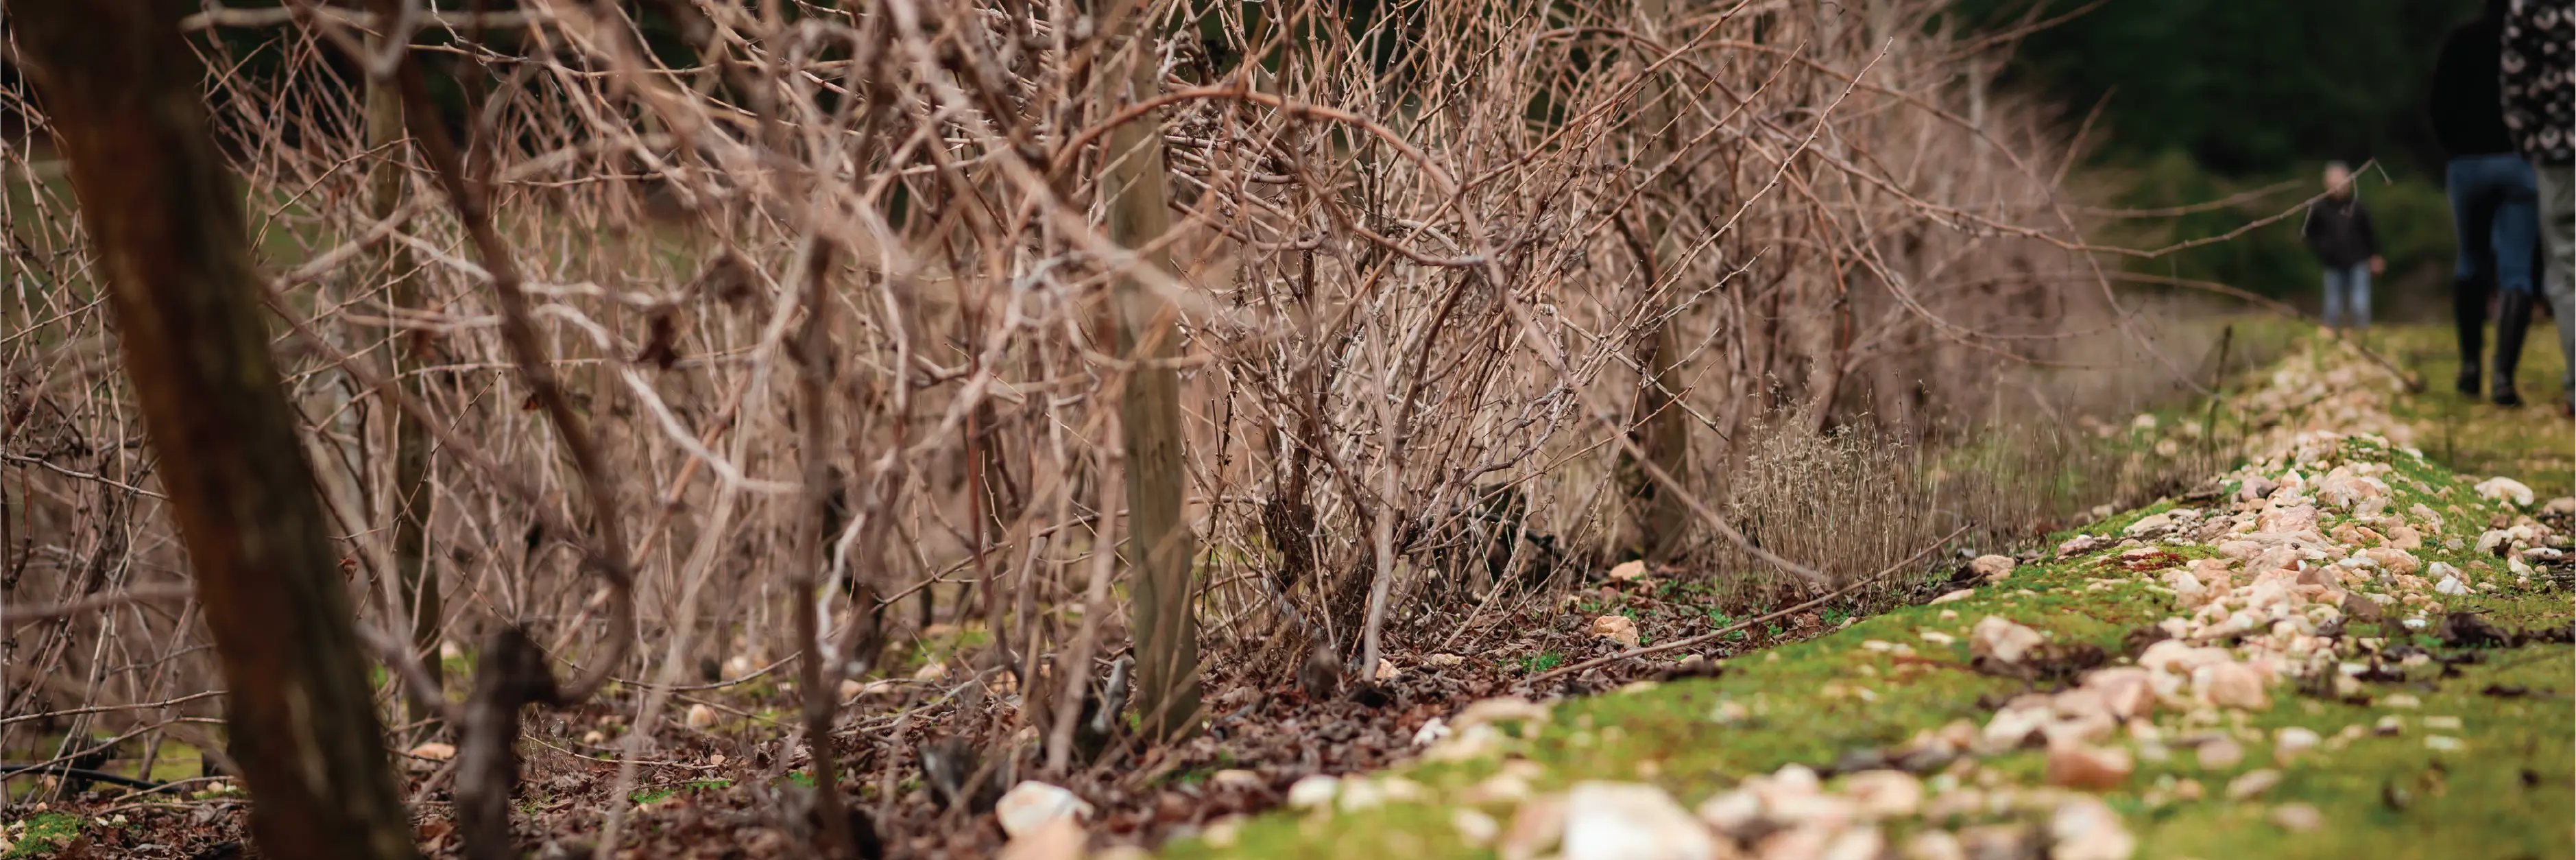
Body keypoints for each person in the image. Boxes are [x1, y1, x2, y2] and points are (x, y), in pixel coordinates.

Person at [2435, 0, 2542, 405]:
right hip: (2519, 164)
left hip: (2468, 166)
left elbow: (2438, 104)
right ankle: (2503, 379)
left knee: (2470, 262)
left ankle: (2469, 368)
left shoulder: (2461, 38)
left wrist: (2456, 149)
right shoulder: (2528, 43)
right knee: (2517, 273)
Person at [2507, 0, 2576, 415]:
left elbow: (2515, 78)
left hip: (2557, 153)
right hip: (2555, 152)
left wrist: (2528, 142)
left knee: (2567, 272)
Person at [2300, 162, 2385, 331]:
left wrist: (2375, 256)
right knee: (2332, 306)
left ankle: (2363, 336)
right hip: (2332, 264)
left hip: (2358, 262)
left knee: (2360, 304)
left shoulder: (2358, 207)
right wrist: (2323, 250)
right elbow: (2309, 234)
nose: (2338, 186)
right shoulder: (2319, 208)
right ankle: (2330, 337)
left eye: (2341, 181)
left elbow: (2370, 233)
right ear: (2326, 184)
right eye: (2334, 182)